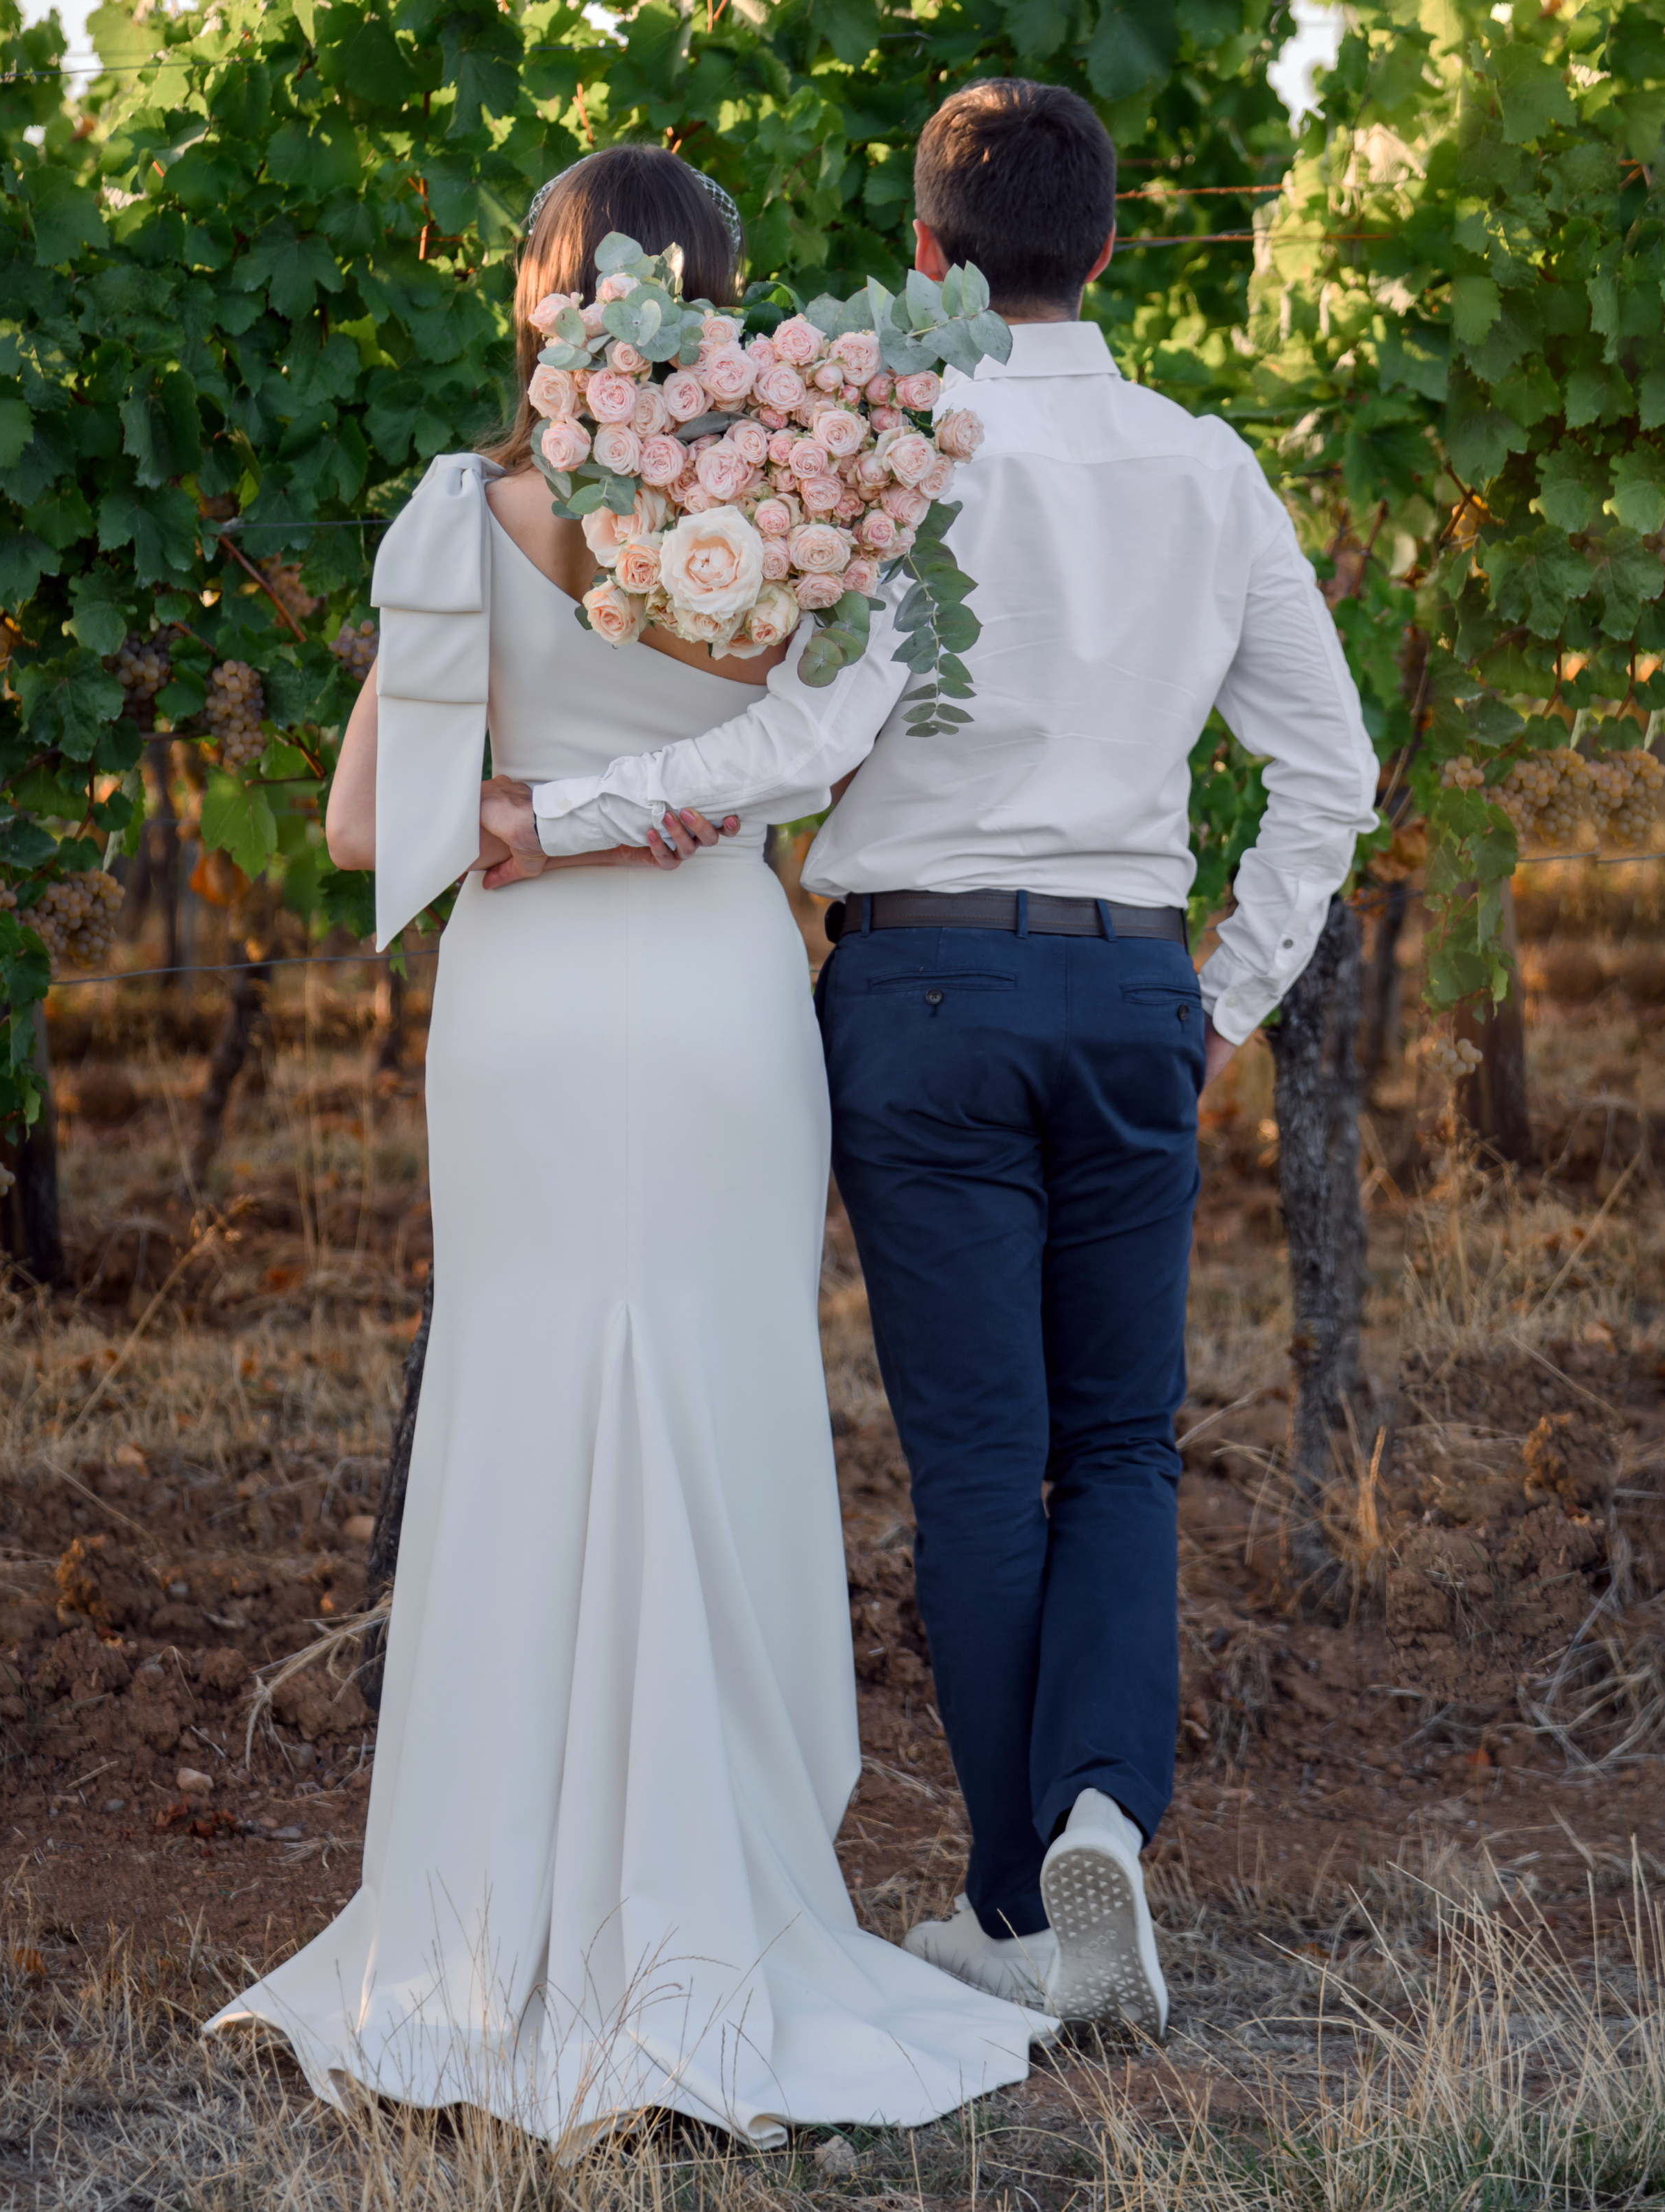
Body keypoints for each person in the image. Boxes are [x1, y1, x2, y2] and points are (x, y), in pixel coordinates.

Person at [483, 80, 1380, 2033]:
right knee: (1121, 1444)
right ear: (1111, 249)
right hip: (1133, 991)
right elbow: (1332, 771)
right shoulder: (1210, 468)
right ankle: (1103, 1822)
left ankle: (1006, 1904)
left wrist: (555, 815)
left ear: (923, 250)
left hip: (922, 995)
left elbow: (806, 748)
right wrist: (1225, 998)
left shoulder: (902, 450)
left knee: (981, 1463)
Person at [203, 147, 1055, 2141]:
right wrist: (654, 807)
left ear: (535, 300)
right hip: (714, 1000)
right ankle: (717, 1897)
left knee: (521, 1396)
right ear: (727, 305)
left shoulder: (456, 513)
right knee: (715, 1396)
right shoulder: (810, 501)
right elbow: (824, 754)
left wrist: (536, 809)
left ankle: (481, 1923)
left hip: (526, 1007)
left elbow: (364, 829)